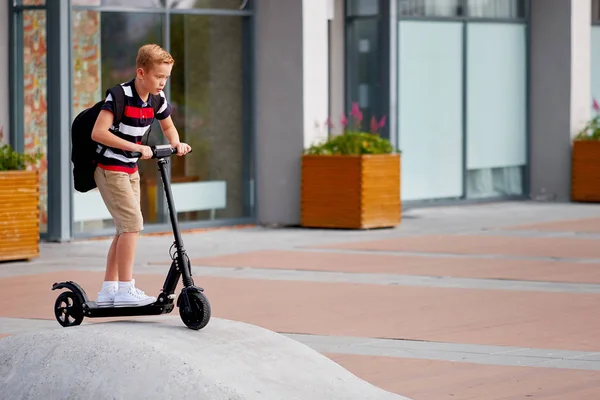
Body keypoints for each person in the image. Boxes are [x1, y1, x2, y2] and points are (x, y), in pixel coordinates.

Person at [91, 44, 191, 307]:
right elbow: (98, 132)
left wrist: (177, 143)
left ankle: (108, 291)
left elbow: (168, 125)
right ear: (141, 72)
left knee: (125, 229)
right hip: (110, 168)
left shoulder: (157, 99)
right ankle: (125, 289)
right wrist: (136, 147)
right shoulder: (119, 96)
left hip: (130, 169)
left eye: (167, 77)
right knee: (133, 224)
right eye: (159, 76)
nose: (163, 82)